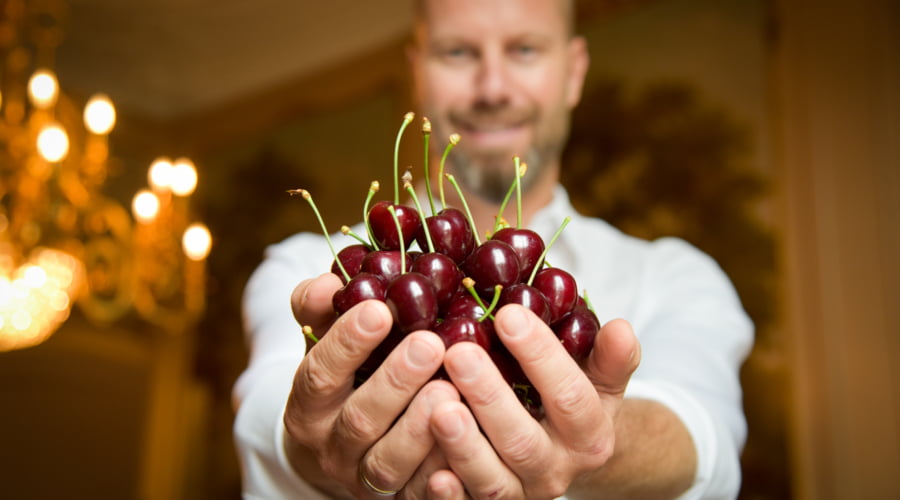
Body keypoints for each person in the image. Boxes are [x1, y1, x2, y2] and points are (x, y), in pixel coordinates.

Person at [233, 0, 753, 498]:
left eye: (525, 49)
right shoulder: (312, 269)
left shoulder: (674, 275)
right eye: (458, 52)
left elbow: (704, 439)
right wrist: (323, 443)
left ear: (573, 72)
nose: (493, 87)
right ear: (418, 72)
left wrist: (599, 443)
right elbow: (263, 411)